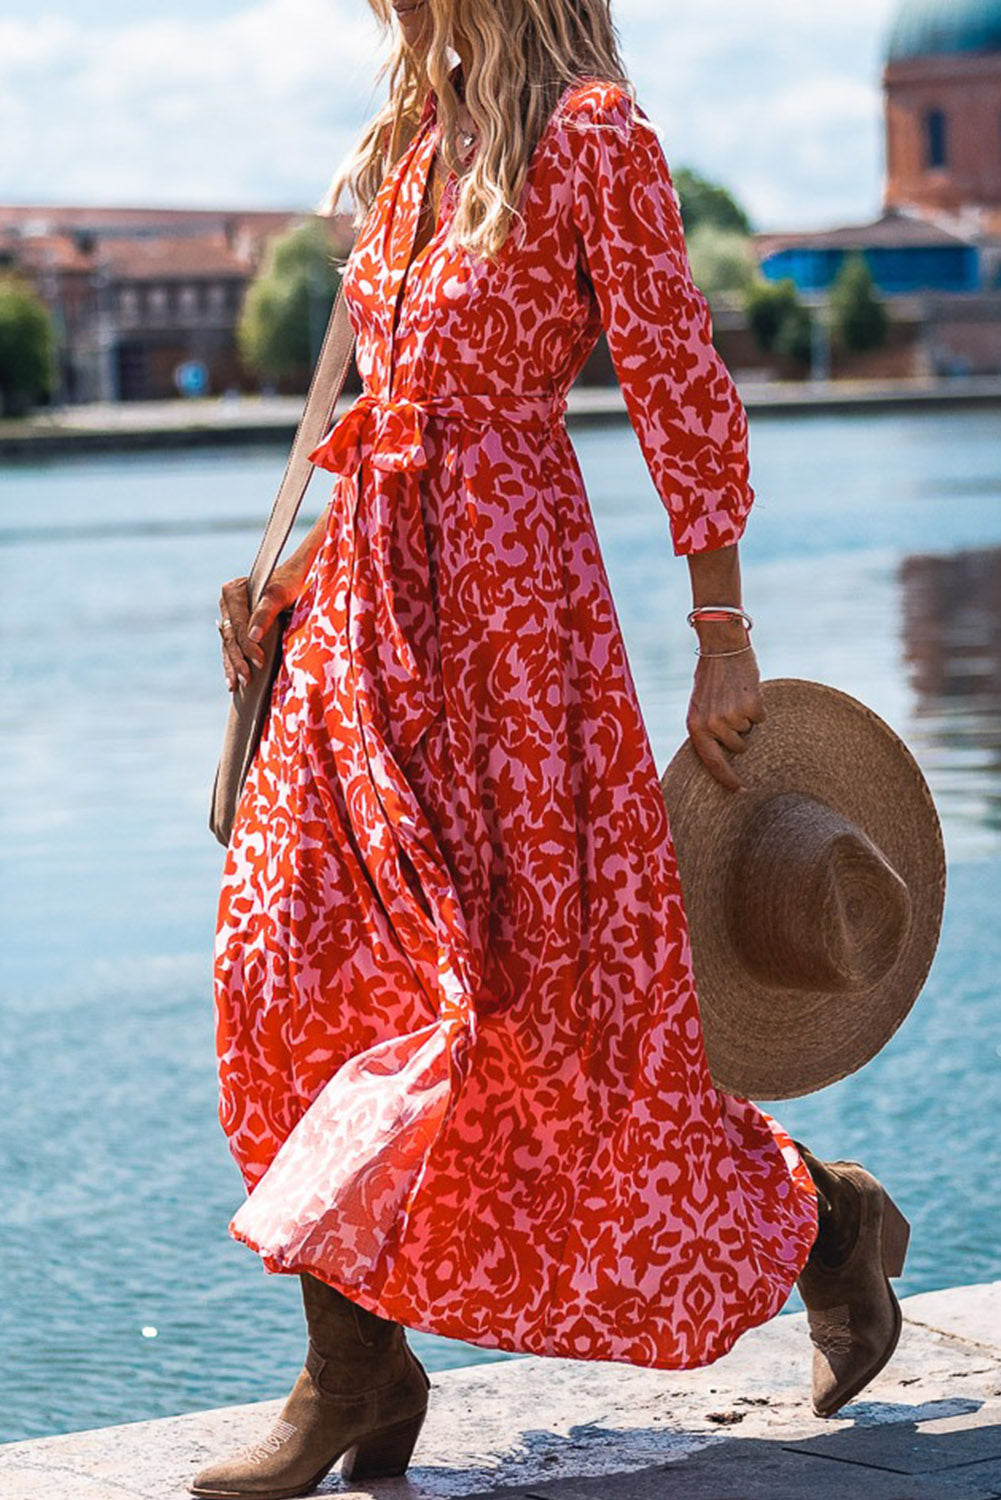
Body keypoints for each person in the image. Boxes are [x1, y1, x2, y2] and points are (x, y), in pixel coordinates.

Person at [192, 2, 910, 1496]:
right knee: (286, 957)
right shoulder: (406, 143)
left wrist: (721, 629)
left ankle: (824, 1223)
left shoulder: (591, 137)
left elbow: (678, 385)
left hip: (514, 628)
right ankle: (358, 1370)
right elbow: (380, 416)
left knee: (536, 1033)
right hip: (364, 617)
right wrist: (297, 579)